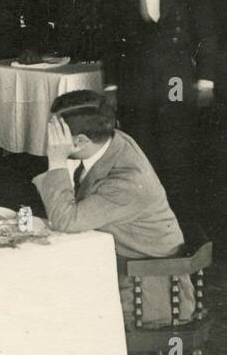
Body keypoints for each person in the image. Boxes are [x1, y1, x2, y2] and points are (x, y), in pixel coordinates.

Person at [34, 90, 193, 328]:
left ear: (80, 142)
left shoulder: (127, 182)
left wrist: (57, 161)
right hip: (123, 266)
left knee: (40, 309)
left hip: (146, 291)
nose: (50, 140)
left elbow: (65, 220)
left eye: (56, 134)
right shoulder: (113, 141)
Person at [104, 0, 216, 225]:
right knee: (139, 148)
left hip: (175, 78)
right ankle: (141, 223)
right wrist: (111, 87)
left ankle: (177, 224)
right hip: (134, 80)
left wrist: (206, 80)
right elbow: (110, 39)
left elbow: (206, 33)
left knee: (176, 146)